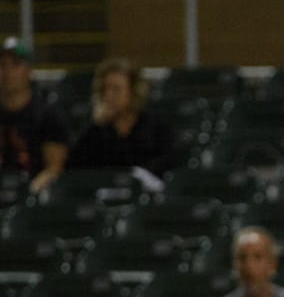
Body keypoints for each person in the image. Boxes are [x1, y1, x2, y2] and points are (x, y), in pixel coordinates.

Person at [67, 57, 175, 178]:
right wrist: (95, 126)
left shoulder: (154, 125)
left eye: (116, 89)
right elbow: (75, 166)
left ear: (133, 91)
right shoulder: (95, 128)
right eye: (105, 89)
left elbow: (166, 161)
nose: (108, 96)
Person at [0, 37, 69, 193]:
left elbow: (54, 167)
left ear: (28, 71)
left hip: (34, 194)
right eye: (2, 65)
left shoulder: (47, 113)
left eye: (15, 65)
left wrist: (32, 191)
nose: (7, 72)